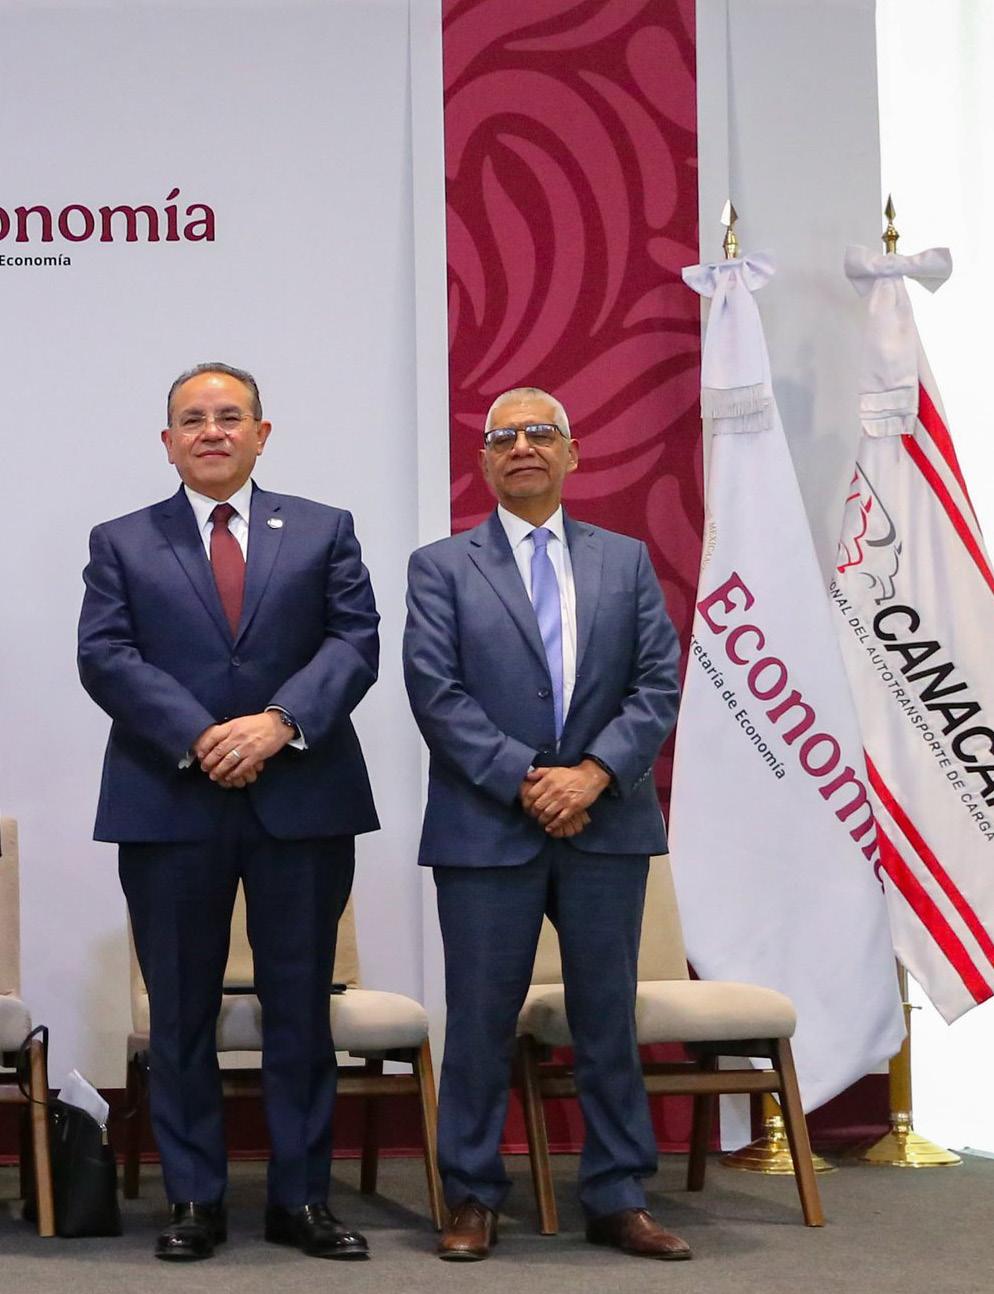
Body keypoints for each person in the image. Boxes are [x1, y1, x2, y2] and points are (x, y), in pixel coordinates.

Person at [78, 363, 379, 1262]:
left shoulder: (325, 528)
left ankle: (302, 1201)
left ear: (261, 433)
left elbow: (354, 641)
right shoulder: (121, 541)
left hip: (303, 798)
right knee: (179, 1016)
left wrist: (279, 723)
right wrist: (204, 735)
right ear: (167, 442)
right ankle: (193, 1202)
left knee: (300, 1011)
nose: (211, 431)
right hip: (170, 800)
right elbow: (106, 655)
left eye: (230, 416)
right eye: (192, 419)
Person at [403, 386, 690, 1261]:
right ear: (484, 460)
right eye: (503, 437)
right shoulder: (441, 566)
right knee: (479, 1020)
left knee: (607, 1019)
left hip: (607, 824)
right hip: (487, 825)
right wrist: (529, 781)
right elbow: (435, 692)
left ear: (572, 452)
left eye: (540, 433)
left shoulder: (626, 561)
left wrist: (593, 775)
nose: (522, 447)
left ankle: (618, 1196)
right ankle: (471, 1196)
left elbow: (658, 683)